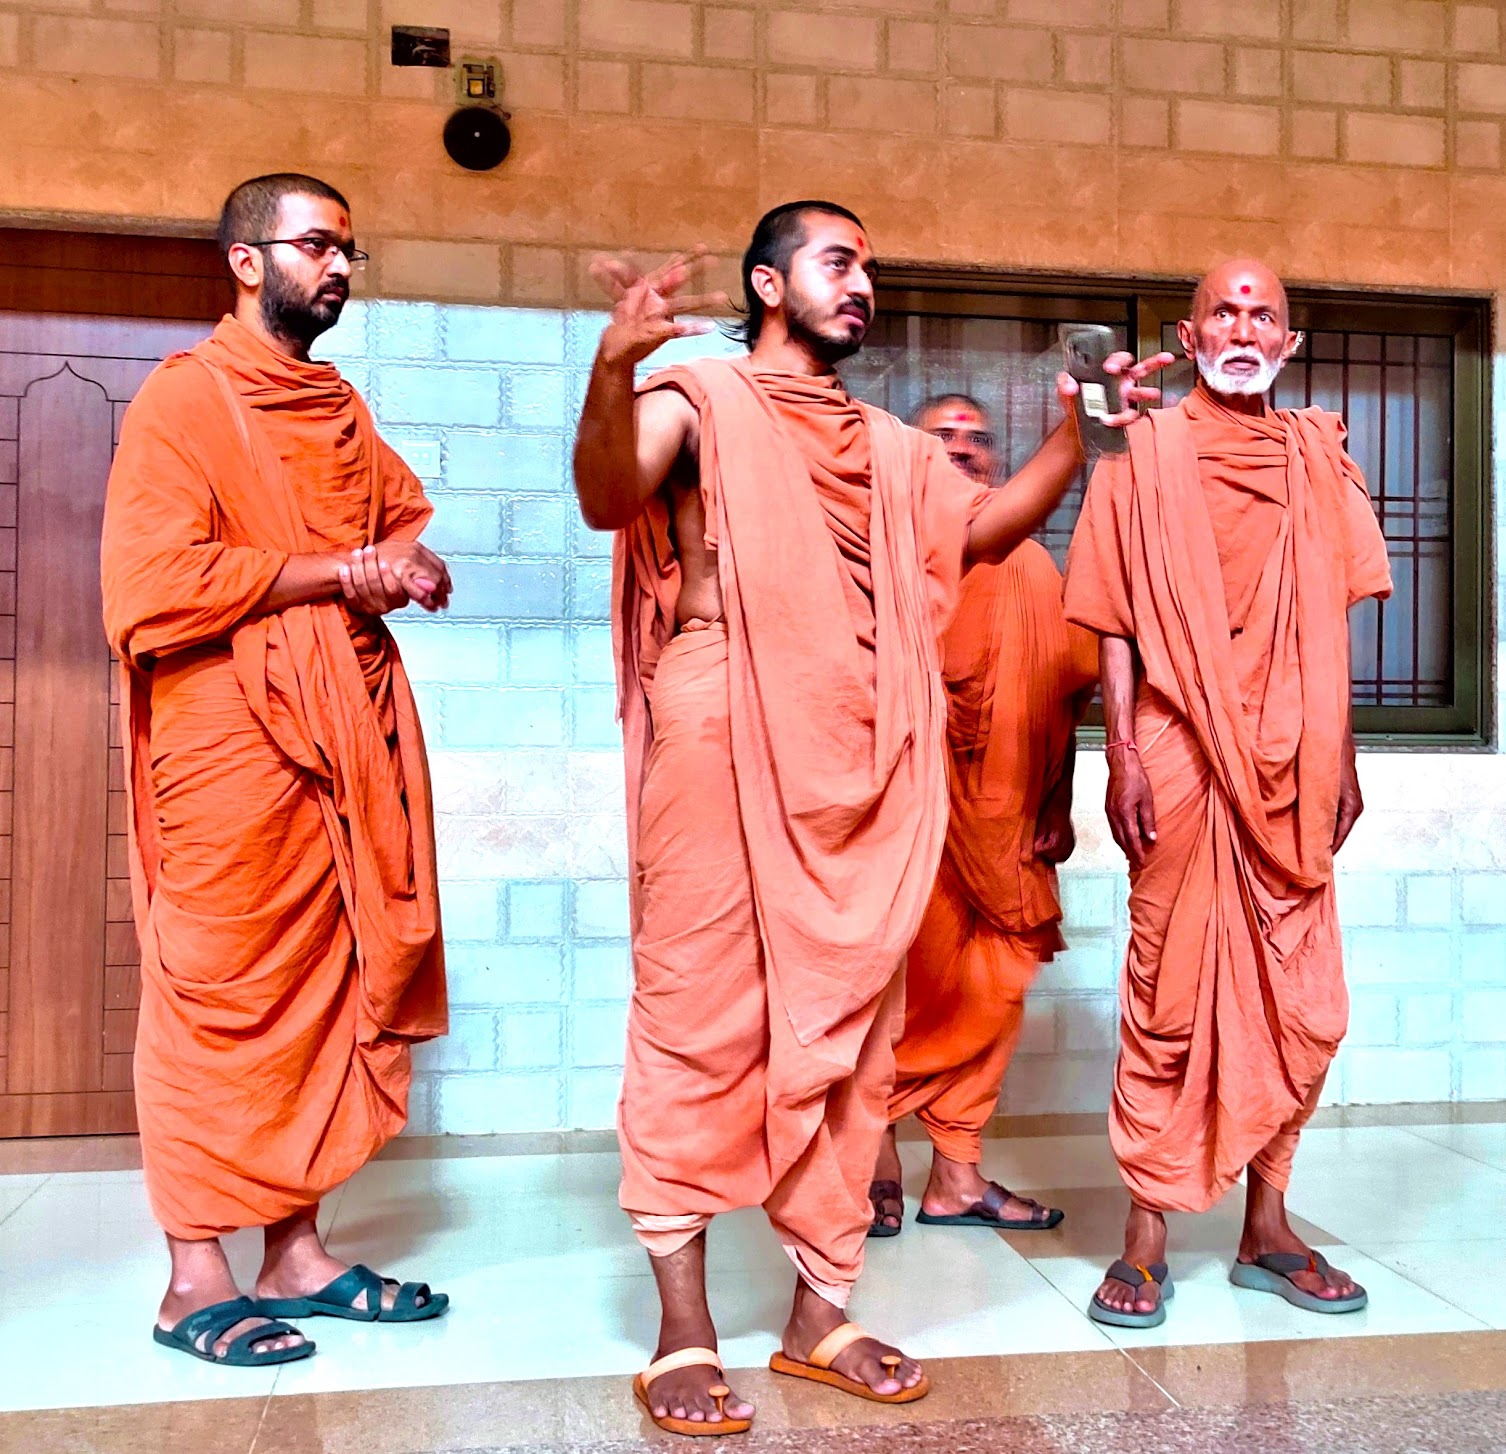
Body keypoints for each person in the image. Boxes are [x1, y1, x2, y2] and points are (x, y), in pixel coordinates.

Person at [575, 202, 1166, 1436]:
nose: (863, 285)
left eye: (869, 268)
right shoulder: (699, 397)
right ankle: (683, 1328)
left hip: (857, 747)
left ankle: (817, 1310)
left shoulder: (890, 447)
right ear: (767, 282)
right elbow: (604, 490)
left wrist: (1080, 436)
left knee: (854, 1032)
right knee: (694, 1010)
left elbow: (984, 530)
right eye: (838, 263)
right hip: (723, 720)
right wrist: (616, 359)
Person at [102, 173, 454, 1367]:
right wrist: (336, 572)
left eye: (349, 246)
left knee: (326, 982)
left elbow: (397, 518)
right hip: (230, 743)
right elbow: (150, 589)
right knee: (218, 990)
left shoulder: (338, 404)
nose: (339, 264)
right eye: (315, 243)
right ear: (248, 262)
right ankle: (190, 1277)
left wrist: (406, 565)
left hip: (341, 731)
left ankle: (295, 1254)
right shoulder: (182, 401)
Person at [1062, 259, 1392, 1329]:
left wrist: (1340, 756)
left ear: (1288, 343)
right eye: (1225, 311)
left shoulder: (1317, 459)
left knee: (1305, 997)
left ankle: (1268, 1225)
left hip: (1295, 755)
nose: (1243, 327)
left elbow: (1327, 617)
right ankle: (1145, 1235)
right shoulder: (1139, 453)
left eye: (1264, 314)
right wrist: (1117, 749)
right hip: (1177, 747)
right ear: (1190, 332)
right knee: (1163, 991)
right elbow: (1112, 613)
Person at [870, 394, 1099, 1238]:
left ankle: (956, 1175)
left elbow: (1063, 695)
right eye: (943, 438)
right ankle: (873, 1152)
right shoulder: (887, 558)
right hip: (905, 821)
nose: (964, 451)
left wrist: (1059, 801)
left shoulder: (1034, 566)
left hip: (1007, 824)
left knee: (997, 983)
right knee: (898, 988)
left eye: (979, 439)